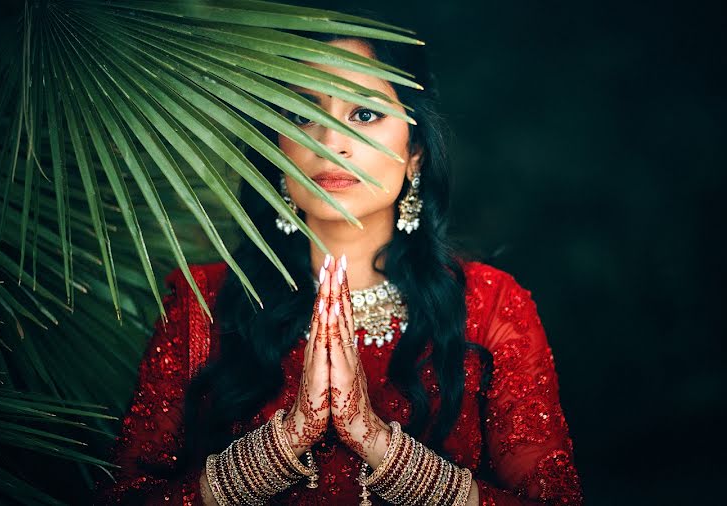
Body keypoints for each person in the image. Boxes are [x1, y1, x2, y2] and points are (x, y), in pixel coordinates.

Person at [94, 32, 583, 506]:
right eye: (303, 115)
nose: (330, 142)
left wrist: (378, 445)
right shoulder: (202, 303)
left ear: (415, 152)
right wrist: (282, 443)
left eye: (364, 114)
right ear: (277, 151)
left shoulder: (489, 305)